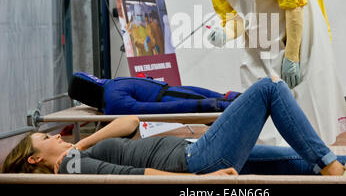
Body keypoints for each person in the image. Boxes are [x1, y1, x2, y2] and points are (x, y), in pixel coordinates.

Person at [2, 76, 346, 177]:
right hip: (197, 161)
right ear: (36, 157)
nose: (51, 134)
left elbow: (132, 121)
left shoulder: (79, 155)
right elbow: (140, 179)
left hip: (196, 157)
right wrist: (204, 183)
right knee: (268, 91)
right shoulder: (74, 169)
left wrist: (90, 137)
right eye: (43, 137)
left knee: (297, 160)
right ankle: (338, 169)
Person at [175, 0, 346, 146]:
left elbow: (294, 3)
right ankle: (271, 156)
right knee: (256, 95)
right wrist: (225, 32)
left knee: (304, 98)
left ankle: (314, 157)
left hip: (297, 30)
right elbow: (234, 17)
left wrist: (293, 55)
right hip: (259, 37)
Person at [67, 72, 241, 115]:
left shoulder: (111, 89)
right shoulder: (113, 98)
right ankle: (235, 104)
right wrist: (212, 106)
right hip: (166, 97)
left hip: (167, 91)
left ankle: (234, 101)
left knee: (216, 96)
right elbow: (149, 109)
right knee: (212, 101)